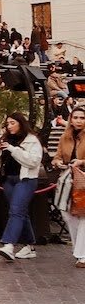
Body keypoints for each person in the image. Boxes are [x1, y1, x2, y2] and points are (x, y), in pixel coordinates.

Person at [0, 113, 43, 262]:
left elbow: (33, 162)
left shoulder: (32, 141)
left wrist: (14, 150)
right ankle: (29, 245)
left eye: (12, 123)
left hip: (25, 179)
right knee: (20, 211)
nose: (9, 126)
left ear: (21, 123)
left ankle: (9, 244)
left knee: (16, 211)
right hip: (8, 179)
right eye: (8, 124)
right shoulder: (6, 139)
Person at [55, 104, 85, 268]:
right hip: (68, 180)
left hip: (83, 179)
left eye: (82, 117)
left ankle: (82, 254)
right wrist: (58, 162)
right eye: (76, 117)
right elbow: (57, 156)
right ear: (71, 120)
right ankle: (79, 249)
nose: (79, 121)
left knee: (83, 217)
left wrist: (81, 162)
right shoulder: (64, 137)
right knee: (67, 214)